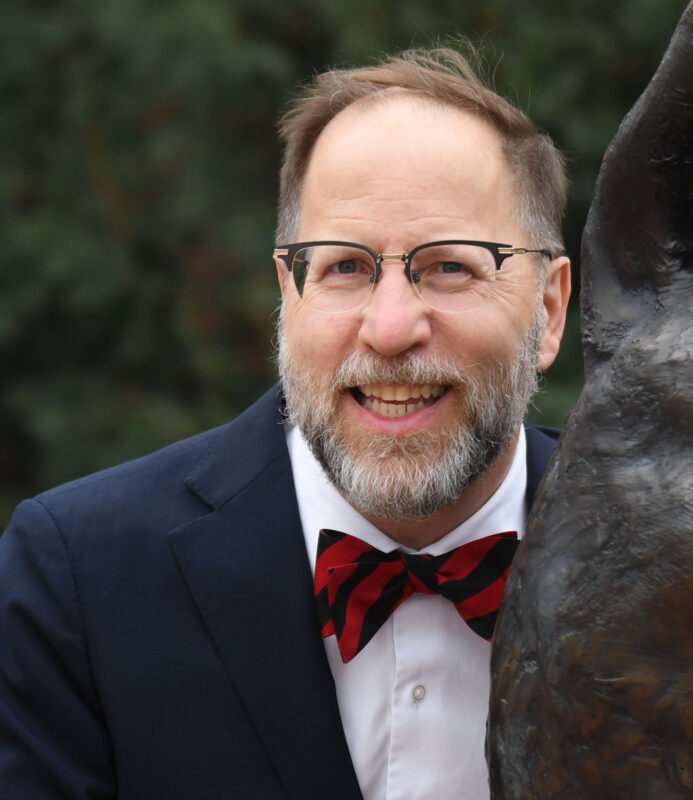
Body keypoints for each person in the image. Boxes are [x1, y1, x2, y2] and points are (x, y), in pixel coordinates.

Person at [0, 47, 571, 800]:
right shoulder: (73, 579)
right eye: (344, 267)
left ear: (550, 310)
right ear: (286, 292)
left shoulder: (682, 566)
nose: (391, 328)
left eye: (451, 267)